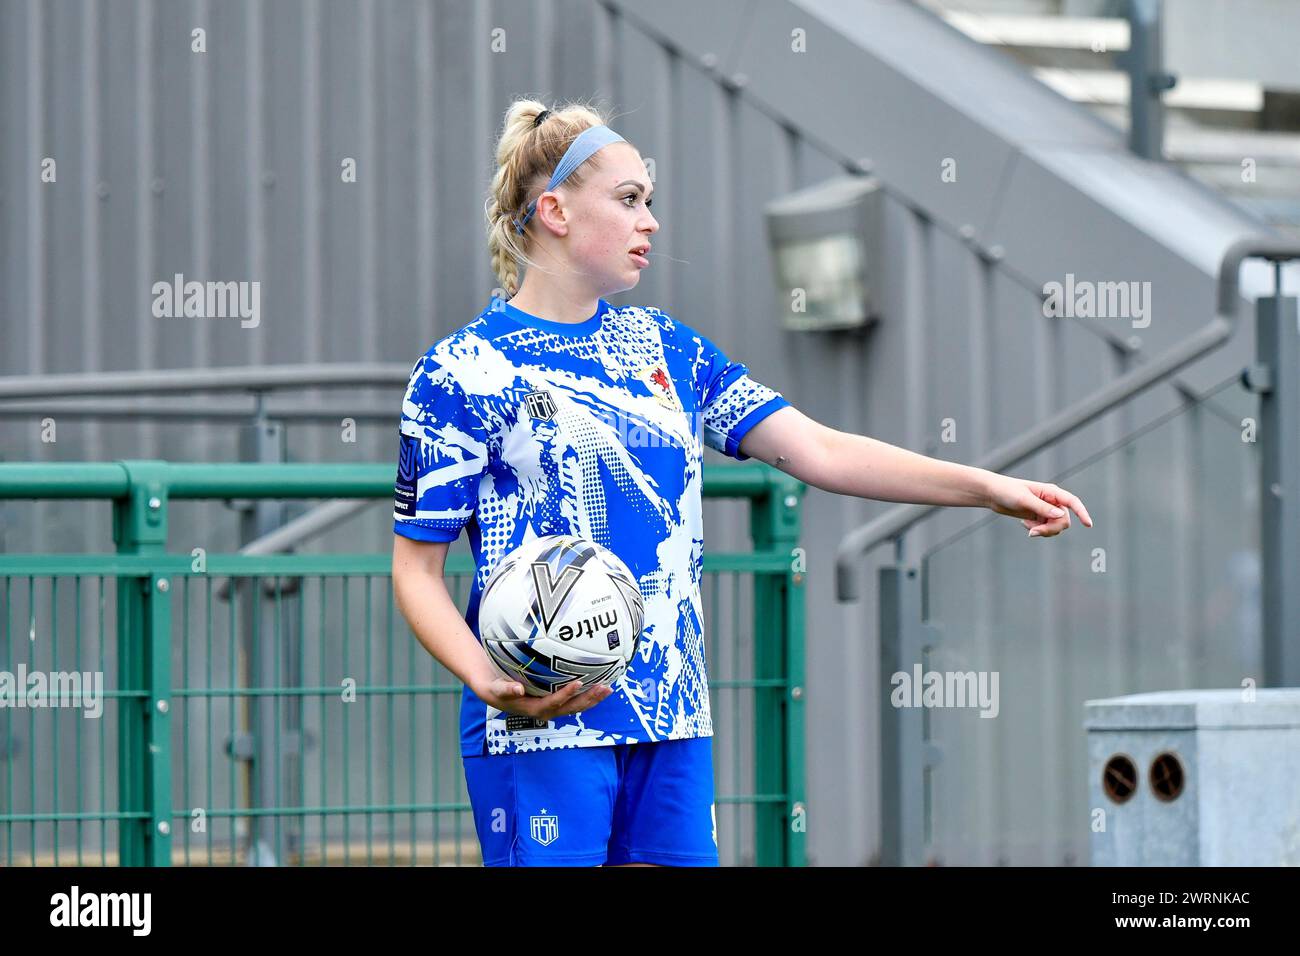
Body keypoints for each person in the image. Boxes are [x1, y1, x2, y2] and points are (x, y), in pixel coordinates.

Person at [390, 98, 1093, 868]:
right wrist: (487, 678)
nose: (650, 221)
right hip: (538, 727)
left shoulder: (669, 349)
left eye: (649, 201)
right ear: (554, 209)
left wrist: (987, 488)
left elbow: (821, 451)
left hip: (673, 720)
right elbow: (415, 569)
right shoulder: (460, 370)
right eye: (629, 200)